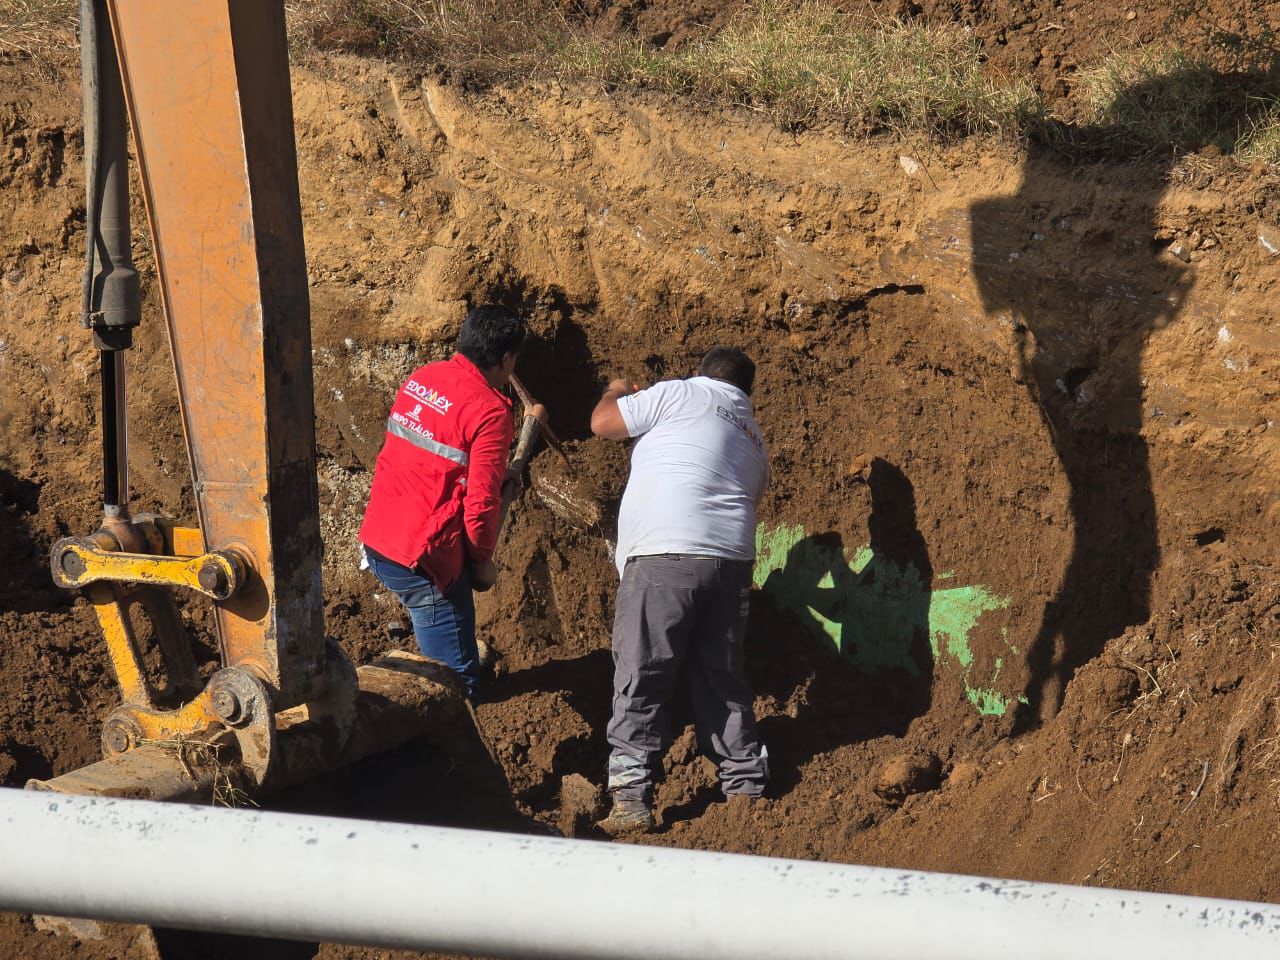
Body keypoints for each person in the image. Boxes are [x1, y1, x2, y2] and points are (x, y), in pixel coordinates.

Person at [590, 345, 771, 834]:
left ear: (702, 375)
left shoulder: (678, 394)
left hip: (665, 556)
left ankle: (630, 798)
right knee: (722, 678)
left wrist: (618, 389)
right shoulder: (755, 439)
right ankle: (745, 787)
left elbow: (603, 423)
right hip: (730, 565)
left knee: (641, 672)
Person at [359, 304, 524, 700]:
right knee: (454, 683)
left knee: (442, 636)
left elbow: (432, 459)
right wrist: (482, 560)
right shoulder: (490, 412)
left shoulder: (424, 378)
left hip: (380, 539)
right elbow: (481, 504)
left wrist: (497, 474)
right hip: (424, 562)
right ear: (505, 360)